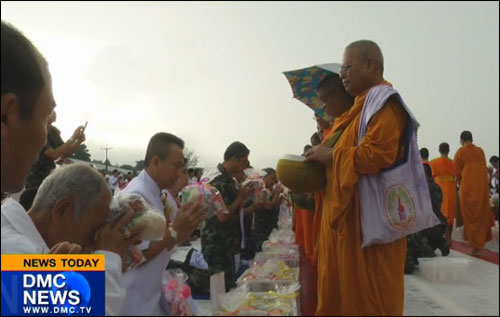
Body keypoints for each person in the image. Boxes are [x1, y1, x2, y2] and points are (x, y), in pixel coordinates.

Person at [306, 40, 410, 315]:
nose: (343, 75)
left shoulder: (384, 103)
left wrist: (331, 157)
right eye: (341, 70)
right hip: (349, 225)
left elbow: (379, 154)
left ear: (370, 64)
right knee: (342, 296)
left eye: (347, 68)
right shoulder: (356, 111)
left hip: (369, 226)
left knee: (369, 299)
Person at [2, 164, 144, 315]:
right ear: (62, 210)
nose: (92, 244)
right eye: (92, 232)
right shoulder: (16, 252)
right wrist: (109, 255)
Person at [119, 132, 205, 316]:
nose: (180, 174)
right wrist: (175, 230)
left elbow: (166, 244)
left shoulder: (158, 193)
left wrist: (186, 227)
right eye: (177, 166)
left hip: (149, 293)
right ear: (156, 162)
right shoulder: (137, 196)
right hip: (134, 298)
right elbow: (137, 256)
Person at [201, 141, 254, 291]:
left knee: (227, 286)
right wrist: (240, 197)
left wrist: (242, 196)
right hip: (218, 244)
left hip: (226, 243)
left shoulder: (229, 179)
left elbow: (235, 208)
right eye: (243, 162)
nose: (245, 166)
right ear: (233, 159)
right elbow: (222, 216)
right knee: (222, 291)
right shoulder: (219, 181)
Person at [454, 131, 494, 255]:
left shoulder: (461, 152)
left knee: (470, 216)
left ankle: (476, 244)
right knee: (480, 214)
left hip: (468, 188)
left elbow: (456, 172)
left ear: (462, 140)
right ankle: (478, 244)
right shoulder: (480, 151)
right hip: (481, 188)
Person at [24, 109, 85, 189]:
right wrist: (73, 137)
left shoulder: (54, 131)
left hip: (49, 176)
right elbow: (52, 155)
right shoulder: (39, 130)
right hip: (36, 177)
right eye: (51, 111)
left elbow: (66, 152)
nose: (55, 113)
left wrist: (78, 141)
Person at [405, 164, 449, 274]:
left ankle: (428, 254)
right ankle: (439, 242)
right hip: (439, 223)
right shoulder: (437, 186)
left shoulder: (421, 188)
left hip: (425, 226)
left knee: (410, 235)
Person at [429, 142, 457, 243]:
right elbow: (456, 177)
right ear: (448, 150)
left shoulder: (433, 162)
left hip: (439, 189)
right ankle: (449, 237)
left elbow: (431, 177)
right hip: (451, 189)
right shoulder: (454, 163)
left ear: (439, 150)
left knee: (441, 212)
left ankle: (444, 237)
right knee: (450, 213)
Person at [252, 168, 282, 253]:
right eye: (272, 179)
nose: (273, 182)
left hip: (270, 226)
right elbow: (268, 206)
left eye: (275, 180)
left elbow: (275, 207)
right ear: (264, 177)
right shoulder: (261, 190)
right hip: (262, 229)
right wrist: (276, 194)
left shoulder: (270, 191)